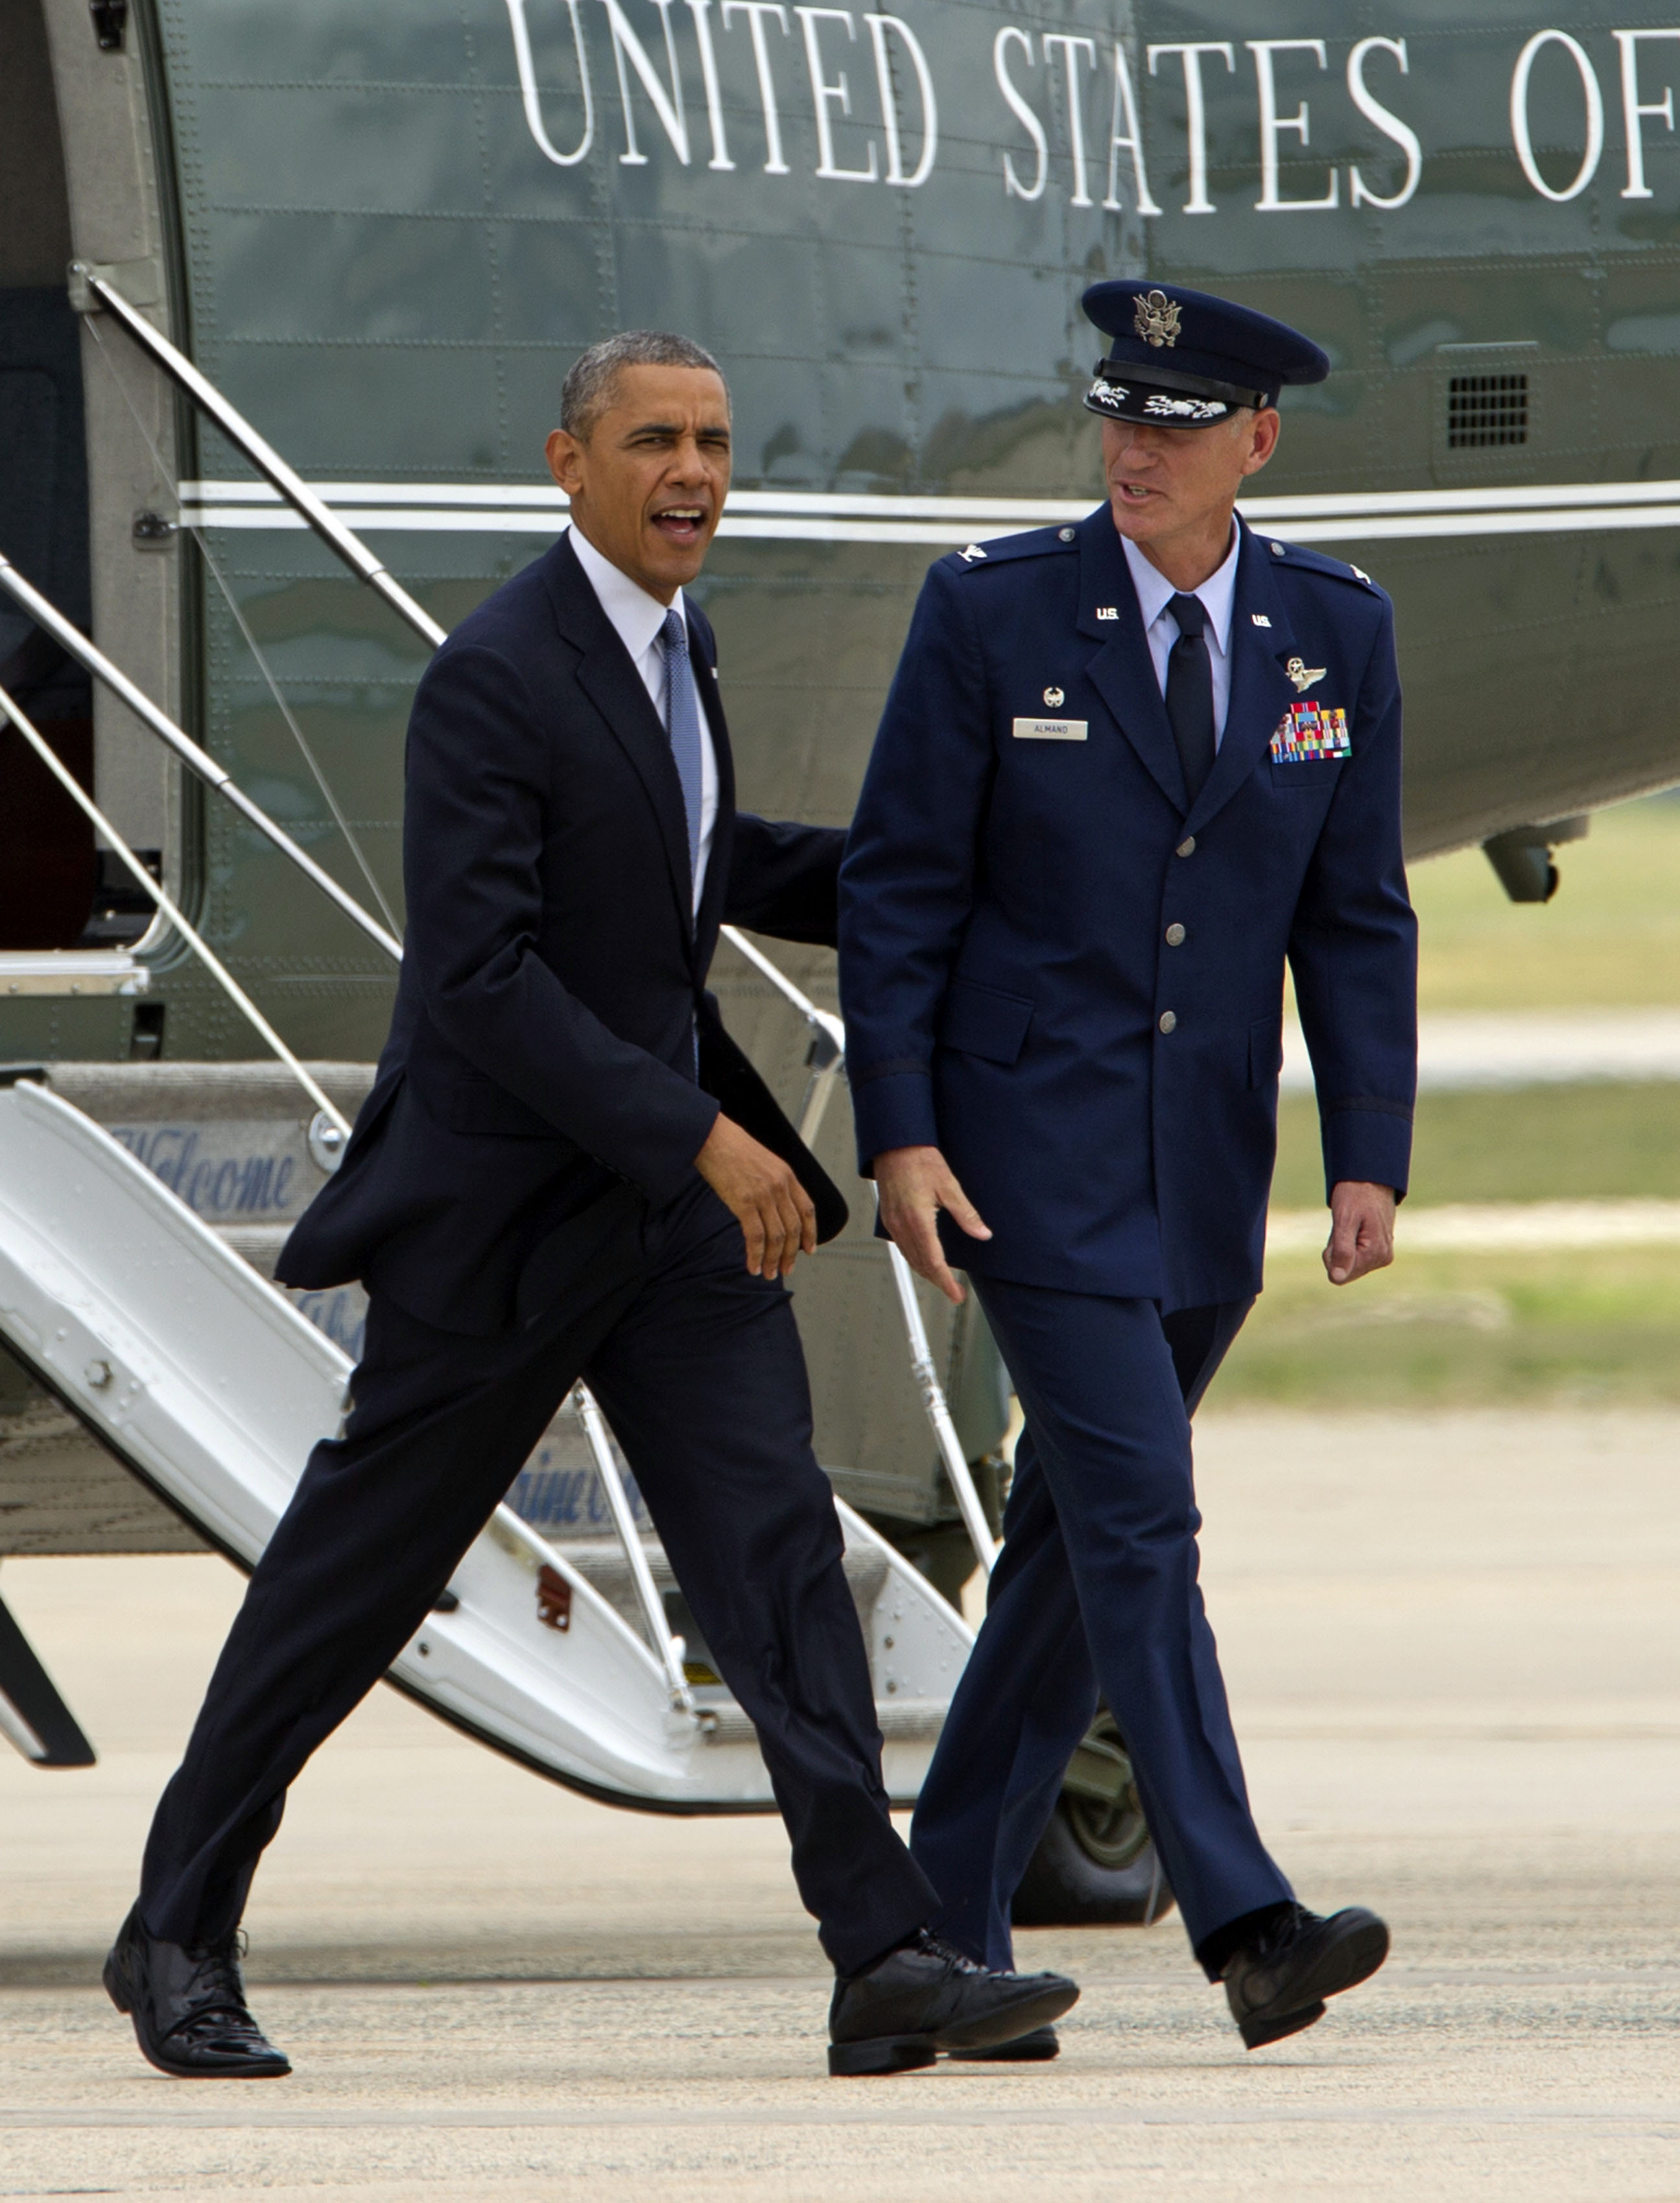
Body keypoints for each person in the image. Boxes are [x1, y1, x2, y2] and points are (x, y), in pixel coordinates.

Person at [105, 331, 1076, 2082]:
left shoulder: (676, 645)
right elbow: (481, 978)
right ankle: (178, 1929)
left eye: (712, 441)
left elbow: (690, 875)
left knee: (777, 1561)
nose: (692, 473)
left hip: (662, 1236)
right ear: (569, 465)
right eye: (653, 443)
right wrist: (706, 1137)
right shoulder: (497, 677)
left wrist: (927, 878)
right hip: (500, 1223)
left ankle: (883, 1956)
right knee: (349, 1585)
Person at [838, 280, 1419, 2053]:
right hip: (1026, 1159)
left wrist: (1364, 1156)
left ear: (1255, 440)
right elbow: (898, 888)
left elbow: (1355, 914)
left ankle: (913, 1970)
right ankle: (1245, 1920)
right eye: (1117, 421)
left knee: (1070, 1563)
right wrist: (904, 1135)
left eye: (1174, 428)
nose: (1134, 454)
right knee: (1142, 1525)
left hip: (1203, 1175)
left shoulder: (1334, 629)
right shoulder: (995, 611)